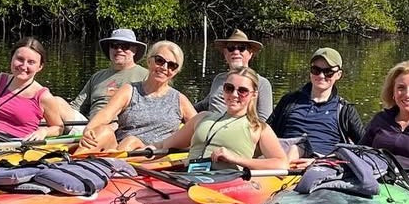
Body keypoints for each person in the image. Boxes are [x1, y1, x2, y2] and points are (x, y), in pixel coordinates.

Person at [151, 66, 289, 171]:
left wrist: (236, 159)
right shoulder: (202, 117)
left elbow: (281, 164)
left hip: (224, 182)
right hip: (187, 177)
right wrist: (144, 147)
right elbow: (164, 145)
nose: (234, 95)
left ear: (253, 94)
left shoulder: (258, 128)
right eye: (229, 88)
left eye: (242, 91)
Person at [77, 40, 194, 155]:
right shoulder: (129, 90)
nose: (164, 67)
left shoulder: (179, 100)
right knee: (104, 131)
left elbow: (200, 125)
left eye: (172, 65)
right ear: (149, 61)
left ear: (176, 71)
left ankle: (113, 163)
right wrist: (89, 130)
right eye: (159, 61)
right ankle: (73, 164)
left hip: (152, 156)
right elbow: (106, 113)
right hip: (118, 149)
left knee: (132, 141)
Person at [267, 47, 364, 158]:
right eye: (316, 70)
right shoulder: (289, 101)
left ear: (338, 75)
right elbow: (265, 132)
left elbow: (365, 146)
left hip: (322, 166)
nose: (321, 76)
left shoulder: (345, 110)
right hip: (283, 159)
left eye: (328, 72)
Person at [66, 29, 149, 122]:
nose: (119, 50)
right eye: (114, 45)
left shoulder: (146, 76)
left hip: (121, 128)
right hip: (88, 126)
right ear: (109, 49)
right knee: (56, 102)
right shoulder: (97, 77)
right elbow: (77, 106)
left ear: (134, 50)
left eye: (125, 46)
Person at [196, 30, 273, 119]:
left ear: (250, 54)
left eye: (241, 48)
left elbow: (264, 119)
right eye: (231, 48)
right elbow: (206, 103)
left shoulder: (262, 83)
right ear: (225, 53)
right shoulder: (219, 79)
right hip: (210, 128)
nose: (236, 52)